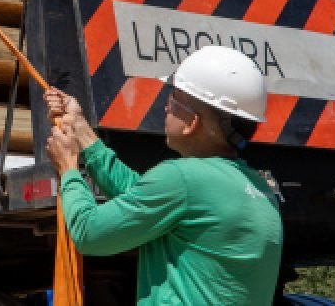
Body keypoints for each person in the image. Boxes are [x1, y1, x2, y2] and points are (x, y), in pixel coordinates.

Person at [45, 45, 284, 305]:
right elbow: (141, 196)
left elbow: (89, 234)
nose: (165, 109)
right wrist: (80, 128)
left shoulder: (183, 179)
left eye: (172, 101)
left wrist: (68, 168)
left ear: (192, 122)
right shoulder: (260, 191)